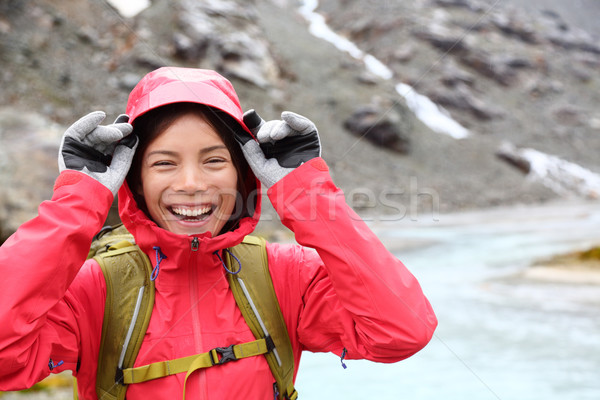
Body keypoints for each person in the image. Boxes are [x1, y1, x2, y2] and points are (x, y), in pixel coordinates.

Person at [0, 67, 437, 399]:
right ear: (133, 181)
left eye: (213, 161)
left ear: (243, 175)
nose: (191, 183)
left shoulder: (285, 276)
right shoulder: (94, 290)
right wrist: (79, 199)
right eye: (164, 163)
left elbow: (400, 331)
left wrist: (304, 189)